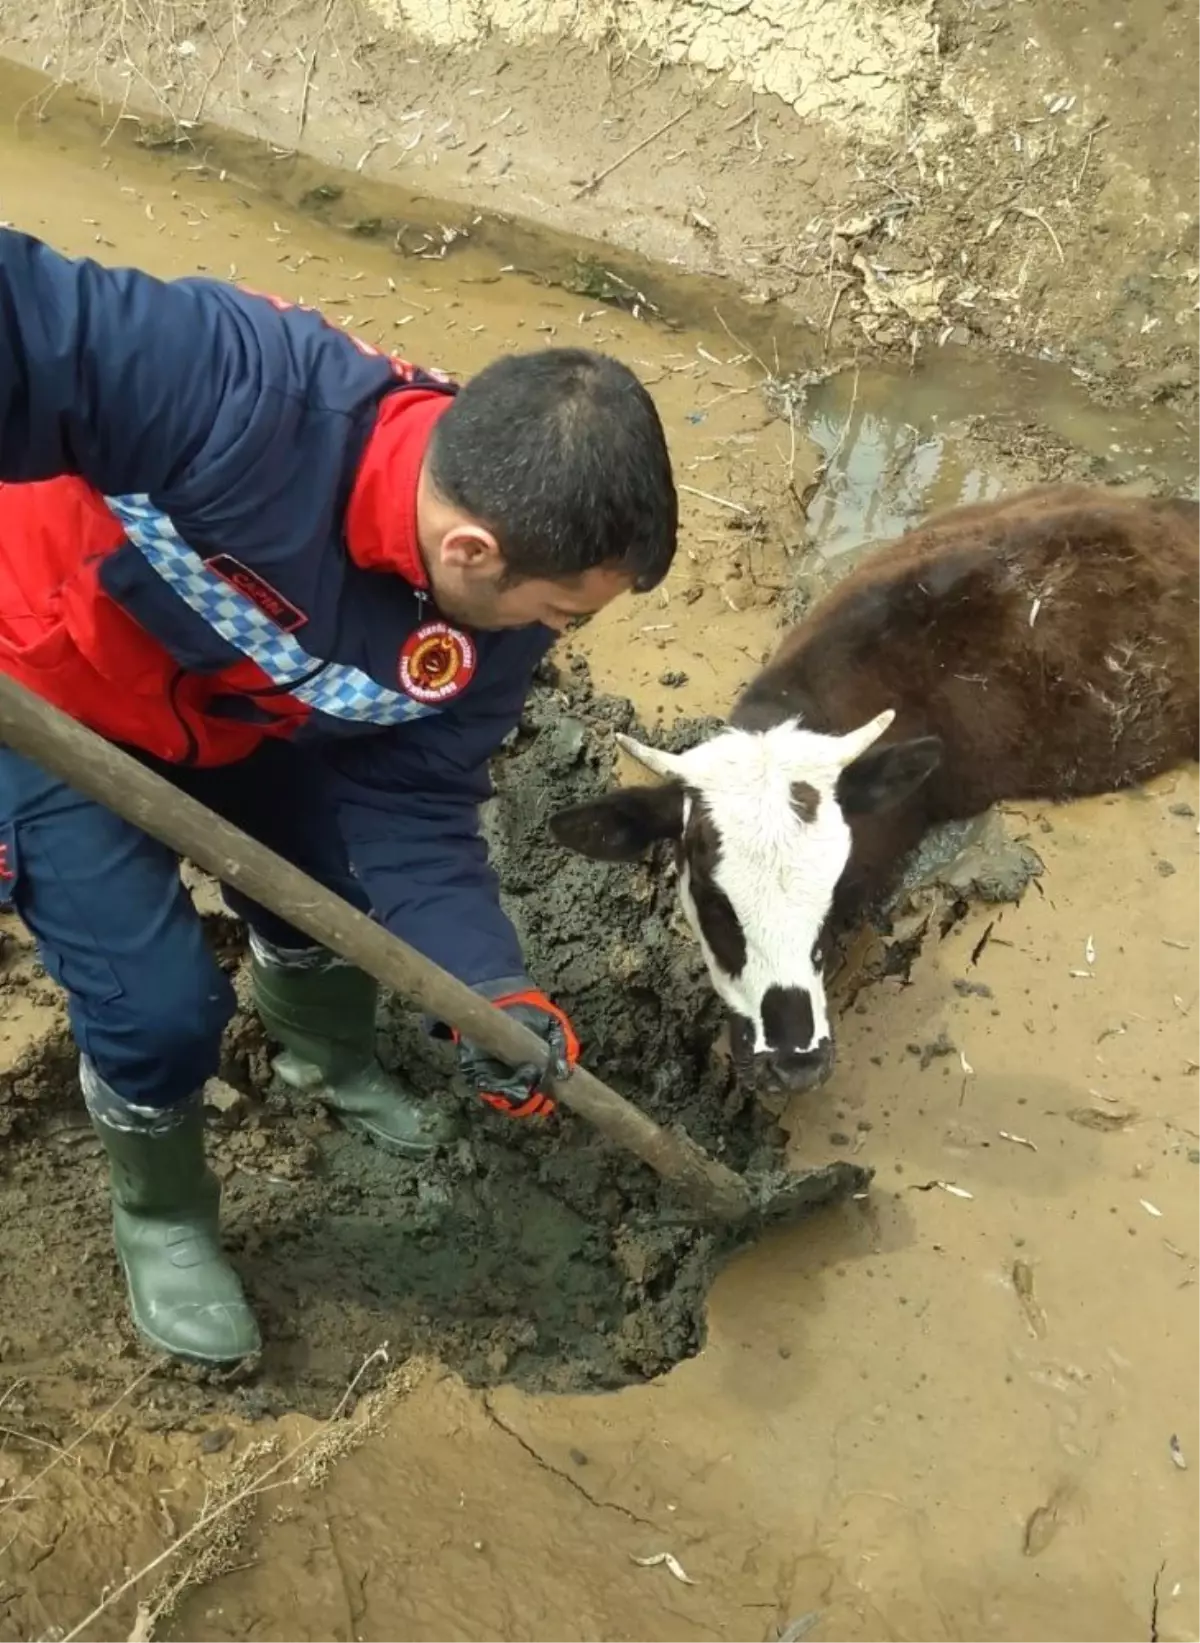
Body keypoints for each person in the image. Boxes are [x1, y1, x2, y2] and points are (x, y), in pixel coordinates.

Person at [0, 227, 677, 1365]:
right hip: (41, 702)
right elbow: (26, 319)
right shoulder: (231, 388)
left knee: (340, 892)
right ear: (474, 547)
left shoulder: (484, 623)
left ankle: (321, 1053)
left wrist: (489, 986)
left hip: (237, 705)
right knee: (160, 1011)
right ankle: (162, 1214)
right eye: (562, 610)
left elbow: (415, 802)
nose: (557, 636)